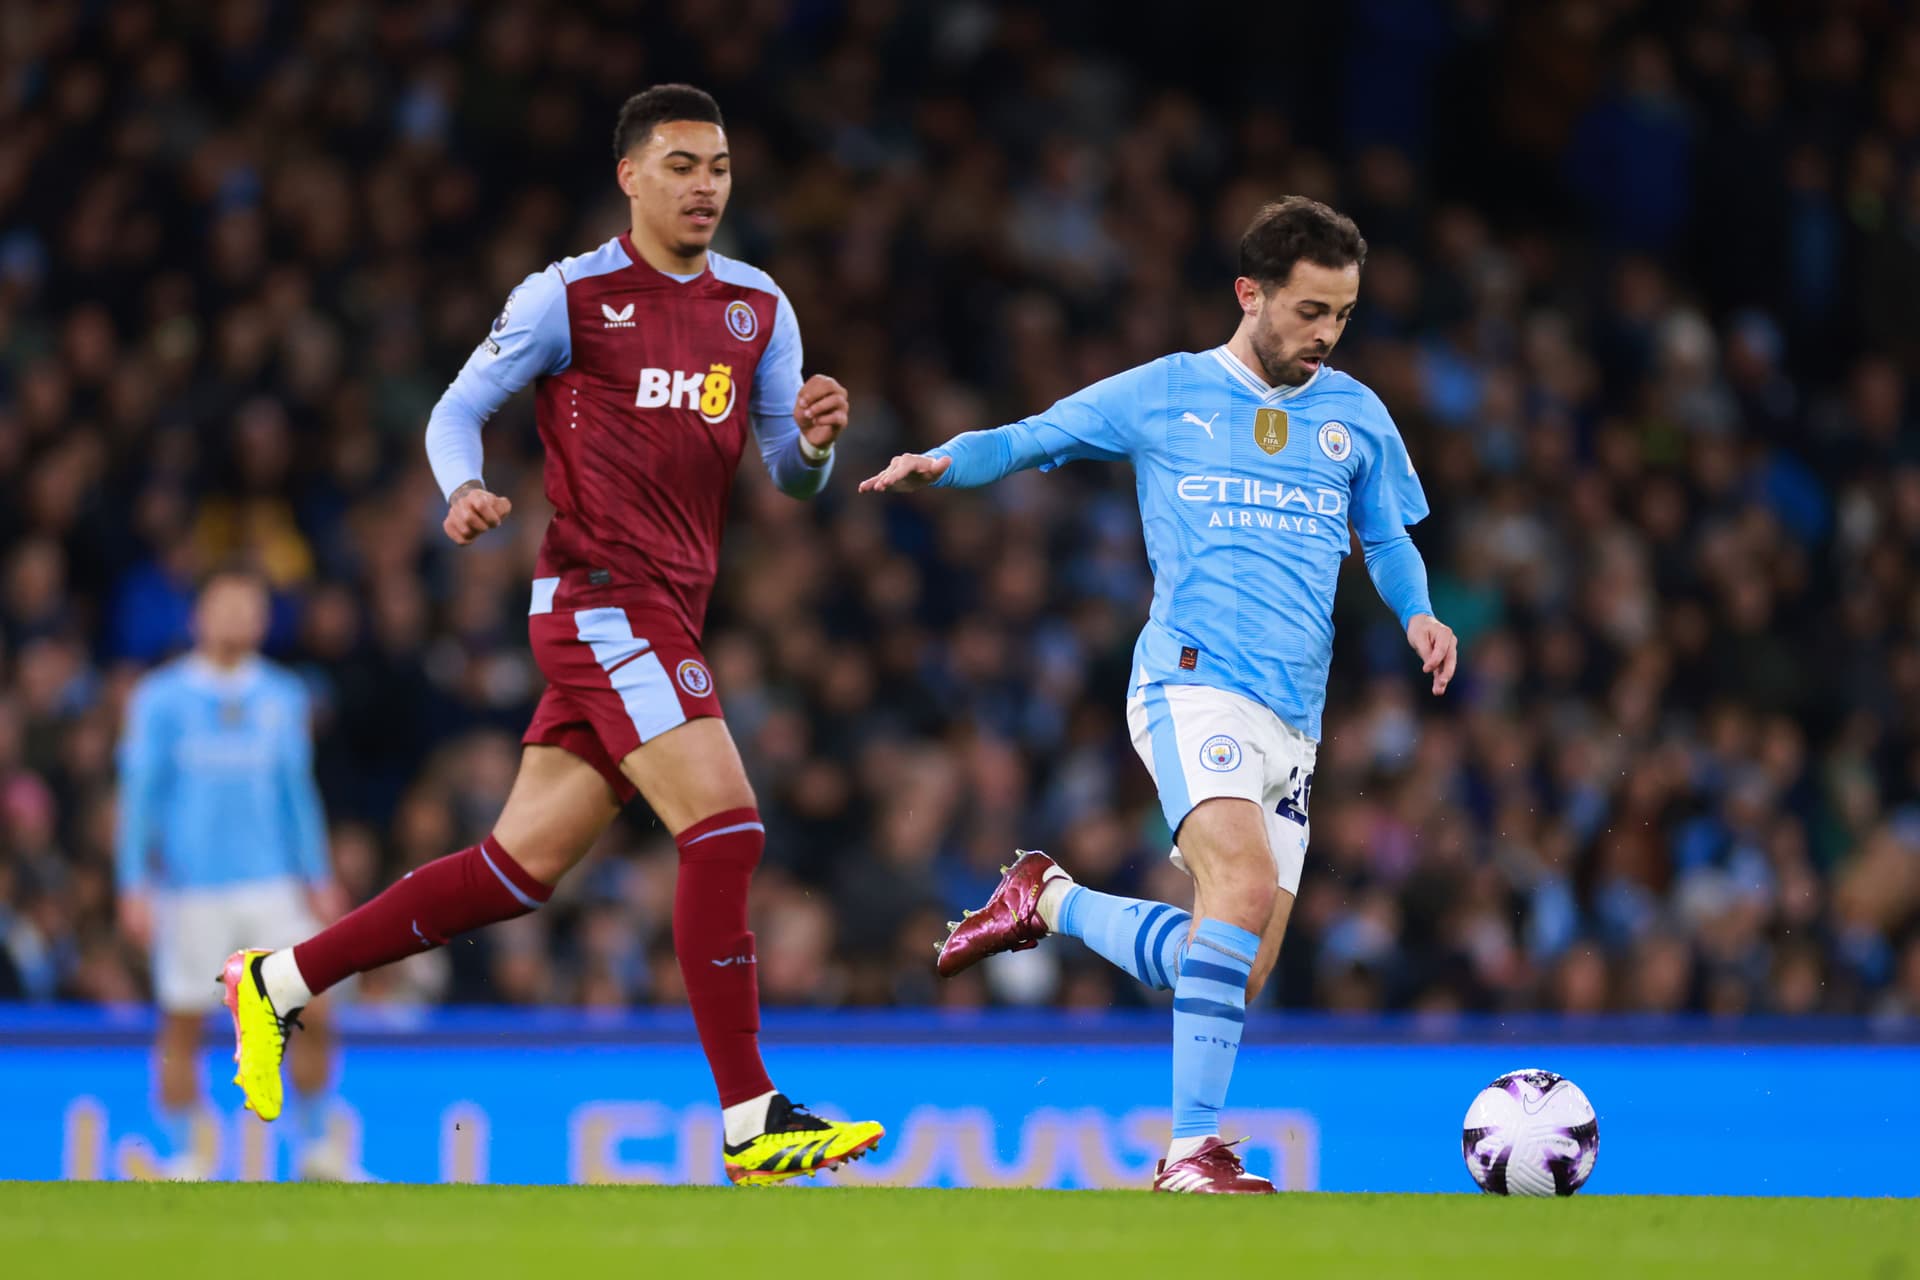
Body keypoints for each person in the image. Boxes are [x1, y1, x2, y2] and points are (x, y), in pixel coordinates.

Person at [221, 84, 884, 1185]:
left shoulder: (759, 307)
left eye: (718, 166)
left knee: (514, 871)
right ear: (631, 176)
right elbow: (452, 409)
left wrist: (813, 443)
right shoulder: (569, 296)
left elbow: (789, 475)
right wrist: (464, 486)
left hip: (671, 605)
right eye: (682, 165)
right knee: (726, 827)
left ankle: (277, 982)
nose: (706, 185)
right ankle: (751, 1113)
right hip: (598, 595)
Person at [862, 197, 1459, 1194]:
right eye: (1310, 311)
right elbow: (1035, 435)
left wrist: (1420, 612)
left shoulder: (1355, 415)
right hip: (1190, 684)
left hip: (1294, 726)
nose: (1326, 335)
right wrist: (941, 463)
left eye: (1343, 315)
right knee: (1237, 885)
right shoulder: (1169, 393)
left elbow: (1388, 536)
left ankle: (1045, 898)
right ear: (1250, 292)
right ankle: (1189, 1150)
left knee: (1230, 963)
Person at [117, 566, 359, 1180]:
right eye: (225, 605)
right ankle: (187, 1151)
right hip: (190, 888)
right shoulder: (160, 697)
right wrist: (132, 883)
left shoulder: (284, 694)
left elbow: (296, 792)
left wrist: (319, 873)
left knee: (314, 1006)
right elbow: (140, 795)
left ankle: (316, 1147)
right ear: (198, 616)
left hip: (274, 882)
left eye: (250, 607)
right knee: (183, 1018)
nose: (237, 618)